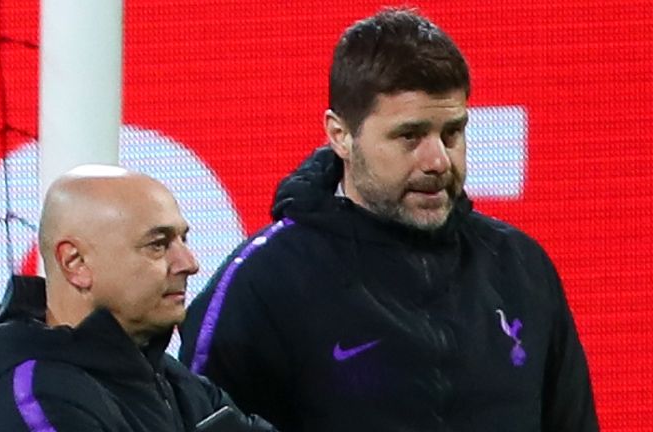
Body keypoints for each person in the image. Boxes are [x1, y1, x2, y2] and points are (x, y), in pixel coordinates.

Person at [179, 8, 599, 432]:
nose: (437, 160)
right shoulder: (261, 284)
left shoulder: (521, 266)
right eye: (409, 136)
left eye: (452, 133)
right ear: (340, 135)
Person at [0, 165, 277, 431]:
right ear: (76, 264)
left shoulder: (173, 381)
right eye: (158, 245)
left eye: (182, 240)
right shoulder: (31, 399)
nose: (189, 263)